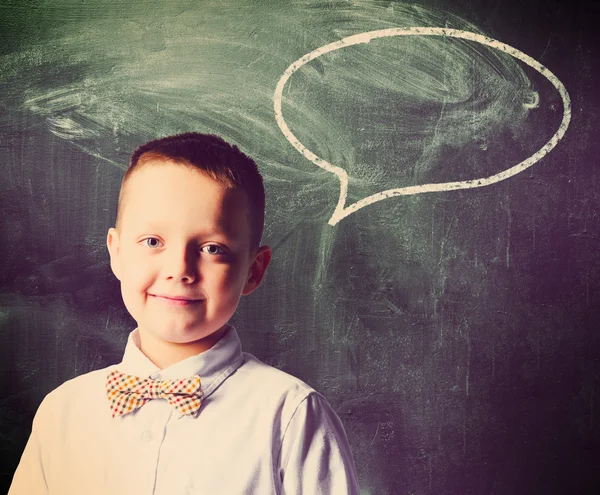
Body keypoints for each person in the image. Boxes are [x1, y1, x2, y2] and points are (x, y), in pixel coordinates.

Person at [9, 133, 360, 494]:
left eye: (212, 248)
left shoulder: (291, 415)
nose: (180, 269)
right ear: (116, 252)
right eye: (153, 242)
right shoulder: (64, 411)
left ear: (253, 270)